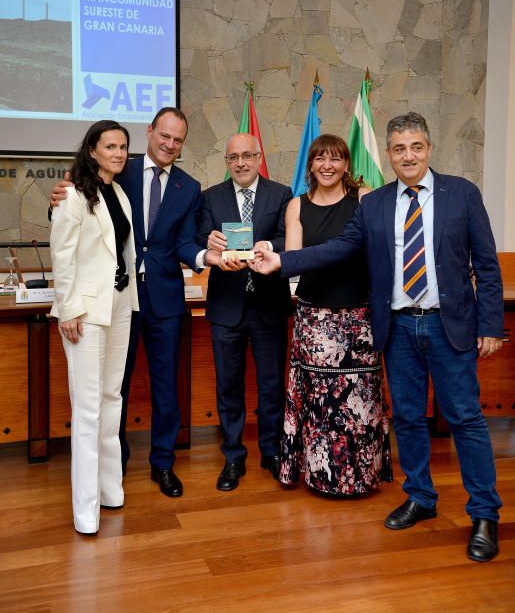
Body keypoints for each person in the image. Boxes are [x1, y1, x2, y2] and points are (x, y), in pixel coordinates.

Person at [250, 112, 504, 562]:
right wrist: (282, 263)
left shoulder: (462, 194)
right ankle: (421, 498)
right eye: (399, 149)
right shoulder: (375, 203)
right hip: (398, 326)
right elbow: (338, 247)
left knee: (464, 418)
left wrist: (489, 325)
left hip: (449, 325)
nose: (408, 156)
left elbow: (485, 264)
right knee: (406, 418)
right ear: (388, 154)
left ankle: (484, 514)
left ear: (428, 148)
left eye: (416, 147)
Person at [51, 107, 218, 498]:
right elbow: (73, 208)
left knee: (166, 387)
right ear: (150, 132)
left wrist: (203, 258)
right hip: (115, 300)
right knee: (115, 386)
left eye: (178, 139)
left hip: (164, 300)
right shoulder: (119, 164)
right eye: (164, 135)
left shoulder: (189, 188)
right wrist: (58, 195)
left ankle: (162, 463)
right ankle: (116, 463)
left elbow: (184, 243)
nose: (169, 144)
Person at [281, 134, 393, 495]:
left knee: (360, 403)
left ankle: (361, 477)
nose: (327, 165)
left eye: (335, 158)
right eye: (319, 158)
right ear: (310, 165)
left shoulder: (365, 201)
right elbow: (294, 261)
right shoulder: (296, 206)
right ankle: (321, 476)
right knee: (318, 403)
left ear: (347, 164)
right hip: (315, 320)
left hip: (359, 319)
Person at [50, 120, 139, 535]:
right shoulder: (72, 194)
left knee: (111, 399)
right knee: (87, 410)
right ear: (91, 150)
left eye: (123, 146)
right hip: (84, 311)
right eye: (110, 146)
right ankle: (85, 511)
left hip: (120, 304)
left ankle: (109, 490)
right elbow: (62, 255)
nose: (119, 153)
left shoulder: (118, 192)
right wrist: (67, 309)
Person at [197, 133, 292, 491]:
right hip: (227, 307)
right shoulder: (210, 197)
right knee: (229, 386)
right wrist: (210, 244)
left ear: (259, 157)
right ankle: (233, 456)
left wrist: (269, 245)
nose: (240, 163)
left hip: (268, 305)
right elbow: (197, 239)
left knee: (271, 384)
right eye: (233, 157)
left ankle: (271, 451)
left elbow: (289, 239)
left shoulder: (281, 194)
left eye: (247, 156)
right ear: (227, 161)